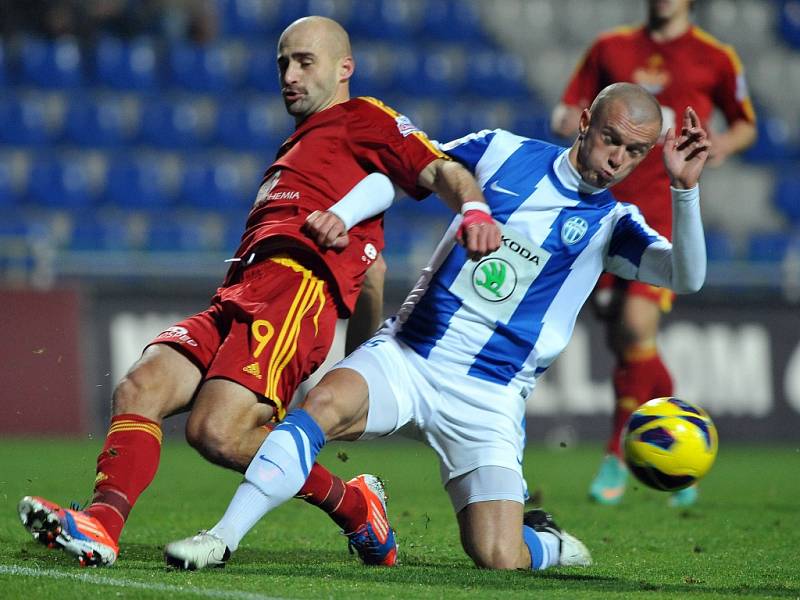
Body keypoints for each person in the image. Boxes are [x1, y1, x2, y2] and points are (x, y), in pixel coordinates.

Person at [163, 82, 711, 572]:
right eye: (611, 138)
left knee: (497, 555)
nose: (617, 159)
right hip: (410, 354)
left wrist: (684, 192)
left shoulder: (615, 225)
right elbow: (401, 173)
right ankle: (221, 539)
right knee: (320, 407)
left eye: (635, 152)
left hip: (491, 396)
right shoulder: (502, 152)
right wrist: (345, 216)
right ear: (585, 120)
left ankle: (547, 543)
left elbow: (685, 276)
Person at [18, 15, 501, 567]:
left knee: (215, 432)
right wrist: (360, 359)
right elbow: (373, 274)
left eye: (304, 61)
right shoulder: (300, 146)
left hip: (293, 295)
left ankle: (353, 505)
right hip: (239, 291)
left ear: (345, 69)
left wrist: (474, 208)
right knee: (139, 387)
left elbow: (441, 169)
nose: (289, 75)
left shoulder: (363, 118)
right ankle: (101, 525)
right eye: (282, 64)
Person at [550, 0, 756, 507]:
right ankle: (683, 441)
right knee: (626, 345)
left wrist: (719, 148)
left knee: (636, 327)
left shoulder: (716, 57)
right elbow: (569, 104)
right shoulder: (610, 47)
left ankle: (617, 454)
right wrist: (565, 121)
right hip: (600, 207)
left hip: (664, 213)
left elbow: (745, 122)